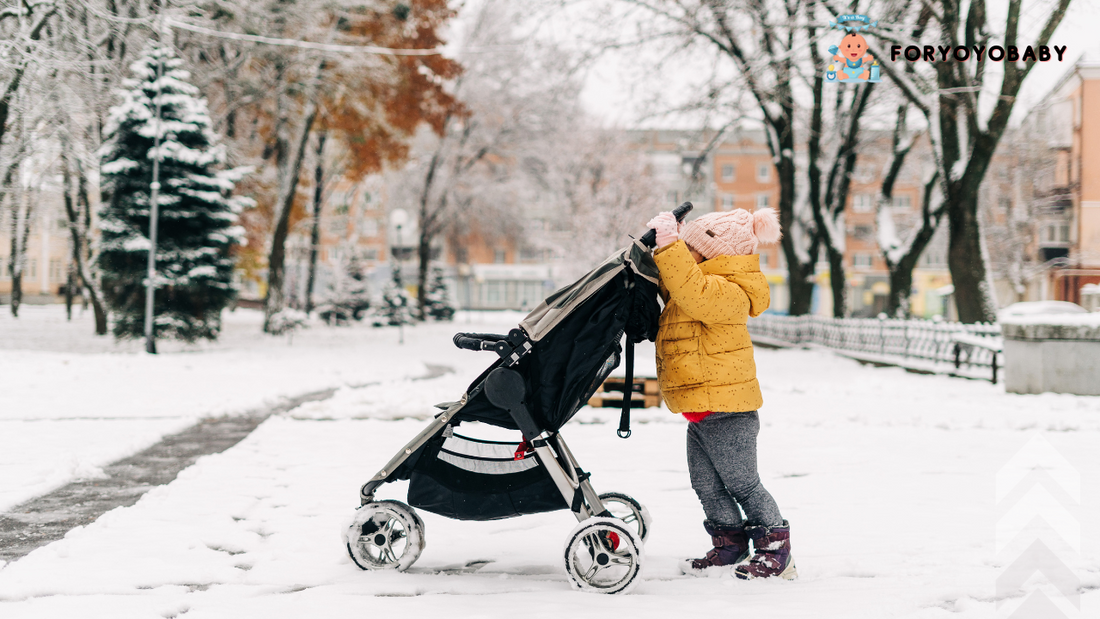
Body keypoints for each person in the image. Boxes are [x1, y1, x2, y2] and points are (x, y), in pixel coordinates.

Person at [645, 208, 795, 580]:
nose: (689, 255)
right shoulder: (698, 282)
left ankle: (778, 551)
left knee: (743, 484)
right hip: (701, 410)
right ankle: (729, 545)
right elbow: (674, 283)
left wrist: (670, 245)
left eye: (694, 249)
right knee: (707, 486)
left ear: (717, 256)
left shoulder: (730, 293)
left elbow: (692, 290)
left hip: (729, 409)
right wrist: (673, 243)